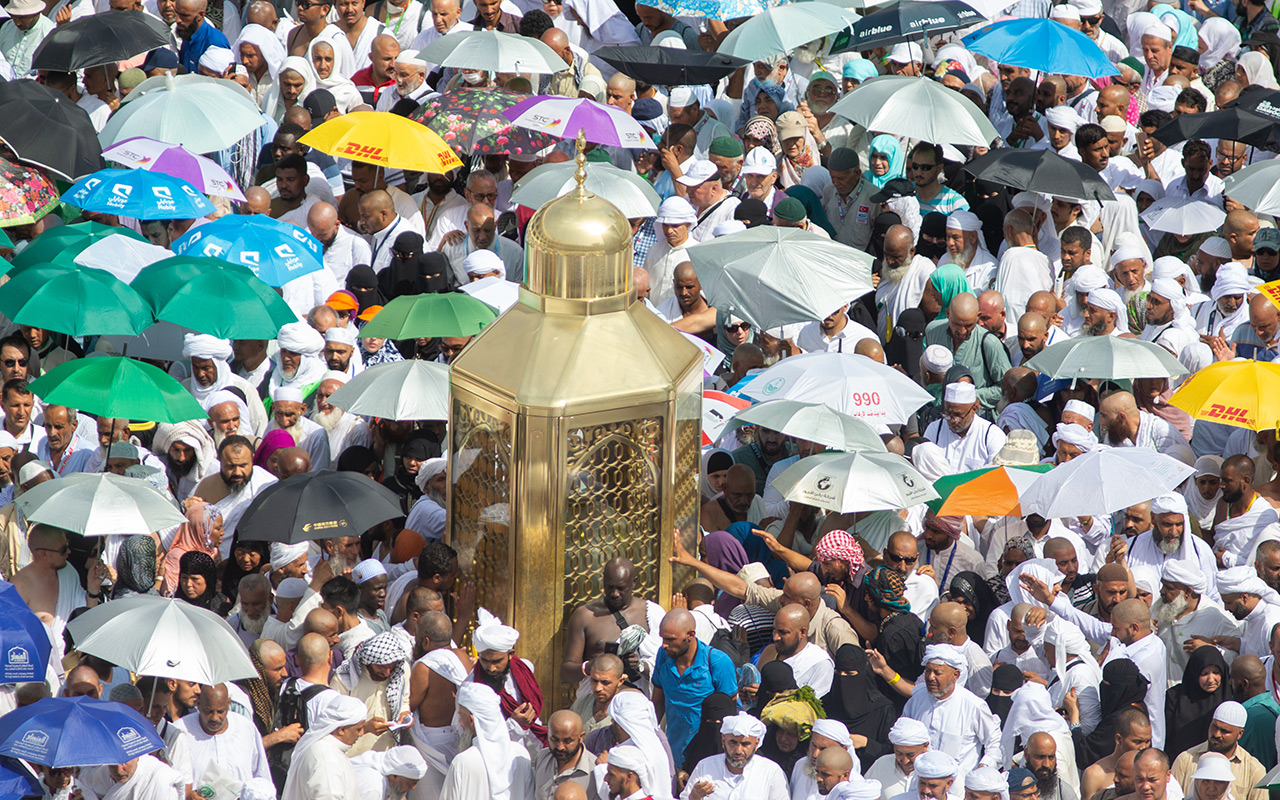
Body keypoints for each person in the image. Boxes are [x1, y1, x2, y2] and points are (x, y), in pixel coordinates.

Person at [442, 682, 534, 799]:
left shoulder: (462, 762)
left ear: (471, 720)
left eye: (460, 716)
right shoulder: (521, 754)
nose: (459, 723)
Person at [681, 712, 789, 800]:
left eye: (745, 744)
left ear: (756, 744)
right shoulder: (705, 766)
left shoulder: (770, 772)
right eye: (733, 742)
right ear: (723, 741)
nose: (738, 750)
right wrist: (694, 797)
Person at [281, 692, 367, 800]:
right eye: (358, 729)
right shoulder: (326, 758)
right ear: (341, 730)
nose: (361, 733)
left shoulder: (327, 750)